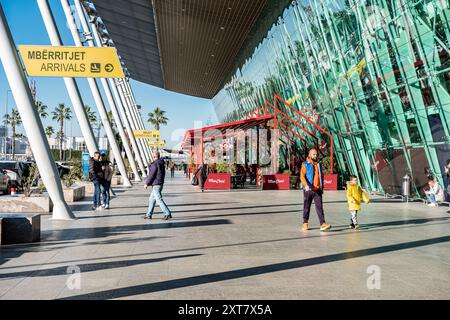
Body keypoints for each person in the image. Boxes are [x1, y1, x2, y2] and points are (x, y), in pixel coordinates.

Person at [300, 148, 332, 231]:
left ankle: (322, 224)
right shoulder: (305, 164)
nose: (315, 156)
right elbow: (302, 176)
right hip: (308, 190)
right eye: (314, 154)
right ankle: (305, 223)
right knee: (306, 207)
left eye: (316, 154)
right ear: (310, 154)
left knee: (319, 207)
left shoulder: (318, 164)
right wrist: (306, 185)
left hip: (317, 190)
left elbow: (321, 176)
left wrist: (322, 187)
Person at [143, 151, 172, 220]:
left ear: (154, 156)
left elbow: (152, 175)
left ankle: (167, 213)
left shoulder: (155, 164)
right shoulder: (161, 163)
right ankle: (148, 214)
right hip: (159, 183)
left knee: (158, 199)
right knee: (151, 200)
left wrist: (147, 183)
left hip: (156, 184)